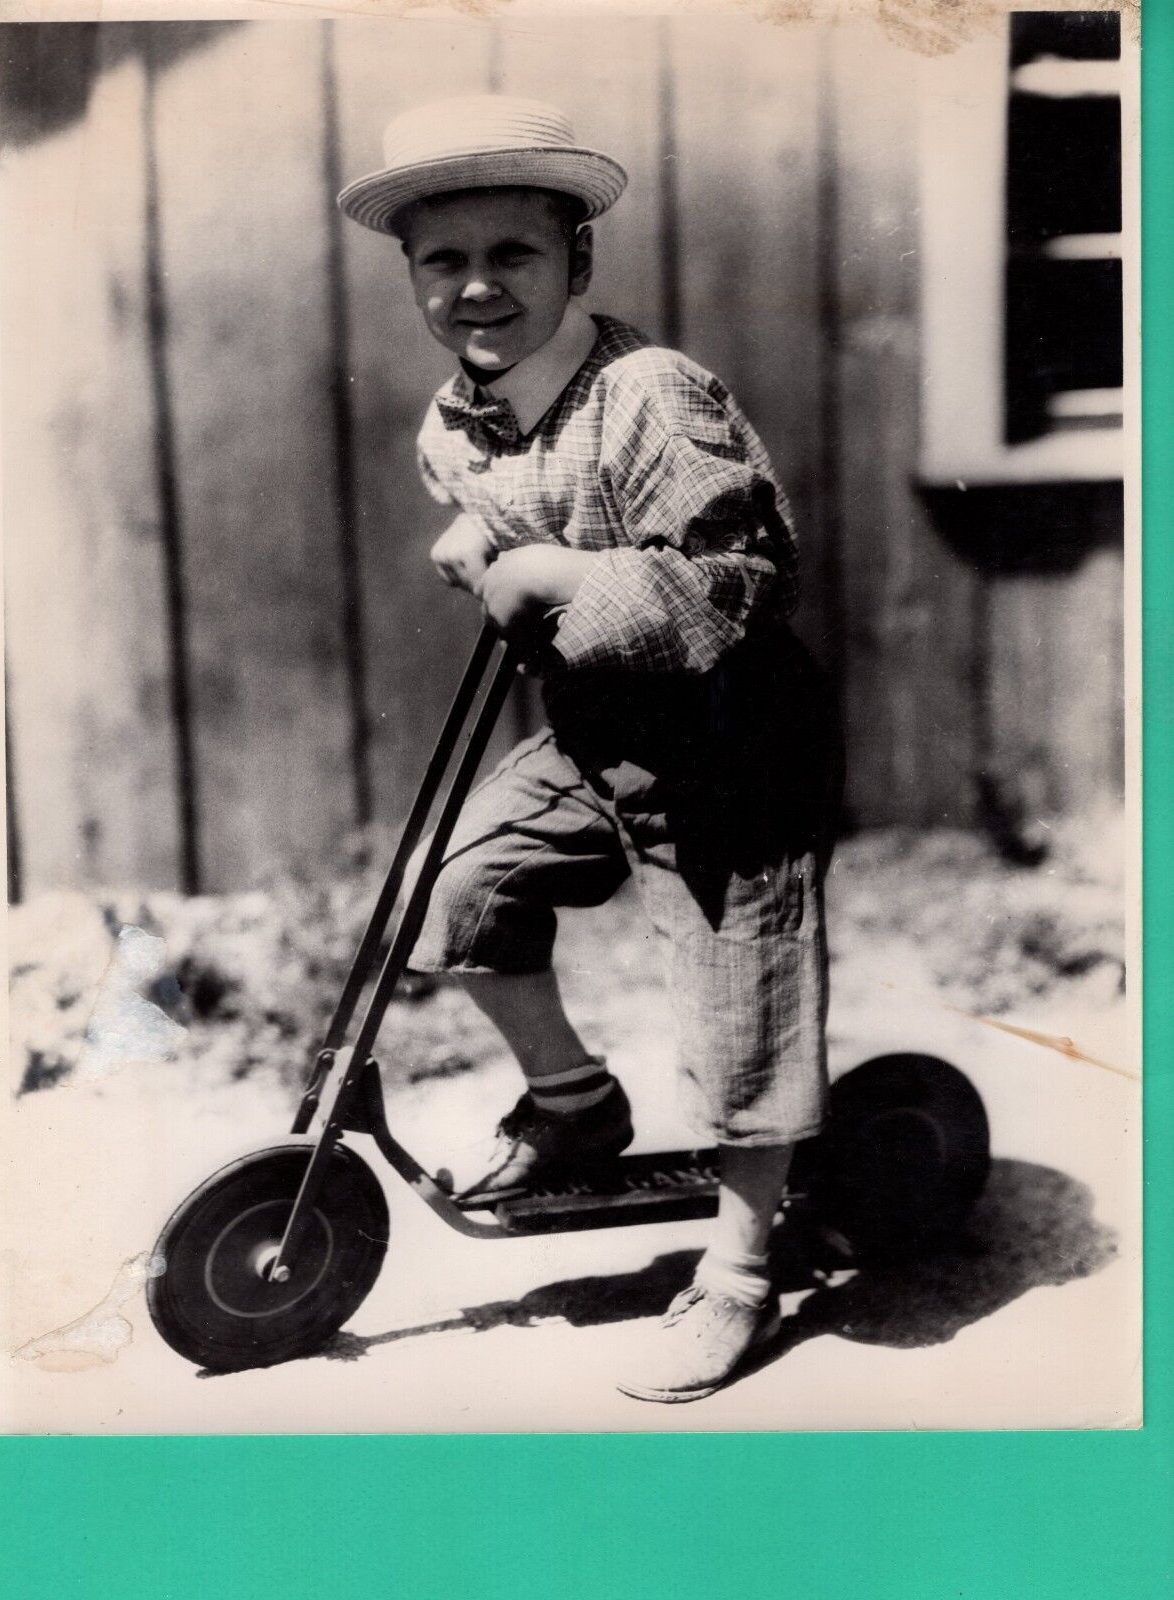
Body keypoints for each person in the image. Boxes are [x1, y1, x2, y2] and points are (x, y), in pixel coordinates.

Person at [338, 95, 843, 1403]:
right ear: (410, 278)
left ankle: (740, 1268)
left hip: (733, 744)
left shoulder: (653, 399)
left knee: (738, 1004)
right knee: (461, 894)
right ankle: (572, 1104)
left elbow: (739, 578)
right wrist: (488, 544)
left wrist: (559, 571)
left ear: (579, 262)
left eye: (512, 254)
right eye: (443, 261)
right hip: (598, 728)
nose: (477, 287)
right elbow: (489, 495)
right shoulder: (457, 417)